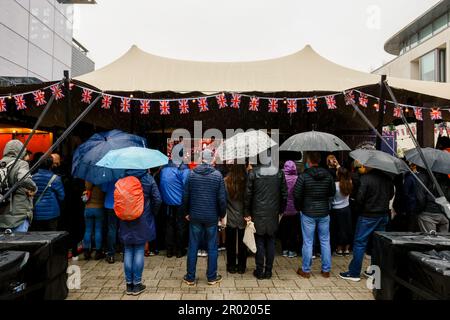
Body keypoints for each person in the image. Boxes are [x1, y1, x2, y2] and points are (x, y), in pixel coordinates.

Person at [340, 166, 394, 282]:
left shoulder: (366, 178)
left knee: (360, 243)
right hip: (383, 214)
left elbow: (360, 197)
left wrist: (358, 209)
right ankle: (374, 272)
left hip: (368, 215)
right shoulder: (387, 178)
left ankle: (354, 273)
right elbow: (390, 195)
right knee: (378, 244)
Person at [183, 149, 226, 286]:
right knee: (212, 247)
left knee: (193, 246)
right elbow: (222, 199)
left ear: (201, 159)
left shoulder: (191, 174)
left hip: (195, 215)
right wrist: (222, 214)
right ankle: (211, 277)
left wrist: (186, 212)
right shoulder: (218, 176)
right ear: (212, 159)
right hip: (211, 217)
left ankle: (190, 277)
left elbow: (185, 196)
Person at [119, 169, 161, 296]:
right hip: (142, 219)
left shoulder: (122, 178)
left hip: (125, 219)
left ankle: (128, 284)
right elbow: (158, 199)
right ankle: (137, 285)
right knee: (138, 249)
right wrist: (152, 212)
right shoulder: (148, 179)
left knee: (128, 250)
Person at [294, 152, 335, 279]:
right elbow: (332, 192)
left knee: (308, 242)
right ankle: (326, 270)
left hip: (308, 212)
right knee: (325, 241)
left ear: (309, 161)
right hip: (324, 212)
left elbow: (297, 194)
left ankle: (306, 270)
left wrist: (299, 207)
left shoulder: (304, 176)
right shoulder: (328, 175)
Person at [245, 158, 288, 280]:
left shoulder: (253, 172)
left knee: (259, 241)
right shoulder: (279, 173)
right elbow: (284, 194)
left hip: (257, 212)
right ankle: (268, 271)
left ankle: (259, 271)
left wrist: (247, 212)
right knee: (271, 241)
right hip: (273, 212)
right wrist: (281, 210)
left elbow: (248, 194)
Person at [0, 140, 37, 232]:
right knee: (19, 244)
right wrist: (34, 187)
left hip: (1, 214)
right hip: (18, 215)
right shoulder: (21, 164)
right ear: (21, 151)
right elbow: (23, 179)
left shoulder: (1, 163)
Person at [159, 156, 190, 258]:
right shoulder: (183, 169)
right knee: (180, 226)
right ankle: (180, 251)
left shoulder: (164, 168)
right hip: (180, 202)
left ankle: (169, 251)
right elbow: (187, 187)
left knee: (169, 226)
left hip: (167, 202)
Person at [30, 156, 65, 231]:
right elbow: (62, 196)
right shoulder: (55, 178)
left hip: (36, 212)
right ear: (51, 165)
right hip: (52, 212)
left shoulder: (32, 177)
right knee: (52, 235)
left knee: (38, 235)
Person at [224, 164, 248, 274]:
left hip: (230, 215)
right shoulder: (247, 181)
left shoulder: (226, 181)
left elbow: (223, 199)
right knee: (243, 243)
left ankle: (231, 266)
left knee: (230, 243)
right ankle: (242, 267)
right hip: (243, 216)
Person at [331, 167, 353, 256]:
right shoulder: (350, 183)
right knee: (347, 228)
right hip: (346, 208)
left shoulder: (335, 185)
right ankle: (347, 249)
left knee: (338, 229)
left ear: (339, 174)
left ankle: (339, 249)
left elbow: (332, 197)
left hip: (336, 209)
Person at [279, 160, 299, 259]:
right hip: (294, 209)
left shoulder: (282, 178)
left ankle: (284, 249)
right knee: (293, 230)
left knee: (284, 230)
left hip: (283, 209)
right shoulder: (297, 178)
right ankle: (292, 250)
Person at [82, 181, 105, 260]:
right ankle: (98, 252)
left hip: (88, 208)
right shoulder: (102, 181)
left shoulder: (88, 181)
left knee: (88, 230)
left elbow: (84, 199)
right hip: (99, 208)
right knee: (98, 230)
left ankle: (86, 252)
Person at [102, 181, 118, 264]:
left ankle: (111, 255)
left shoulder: (109, 172)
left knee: (112, 229)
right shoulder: (125, 171)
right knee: (123, 228)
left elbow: (104, 189)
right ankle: (126, 254)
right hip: (122, 204)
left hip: (110, 204)